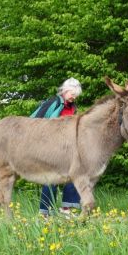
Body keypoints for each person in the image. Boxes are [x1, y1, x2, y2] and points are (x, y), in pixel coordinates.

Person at [31, 77, 82, 217]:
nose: (74, 97)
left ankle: (67, 210)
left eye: (76, 94)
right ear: (65, 91)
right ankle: (45, 213)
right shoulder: (52, 103)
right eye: (72, 93)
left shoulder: (73, 108)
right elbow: (33, 121)